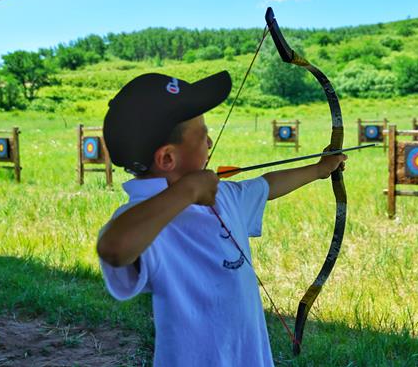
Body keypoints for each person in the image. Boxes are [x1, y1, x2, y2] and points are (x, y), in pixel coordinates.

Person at [96, 71, 346, 366]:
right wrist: (187, 190)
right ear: (167, 159)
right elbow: (114, 247)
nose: (210, 141)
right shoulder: (145, 221)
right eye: (202, 135)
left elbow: (266, 186)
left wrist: (320, 170)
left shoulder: (221, 195)